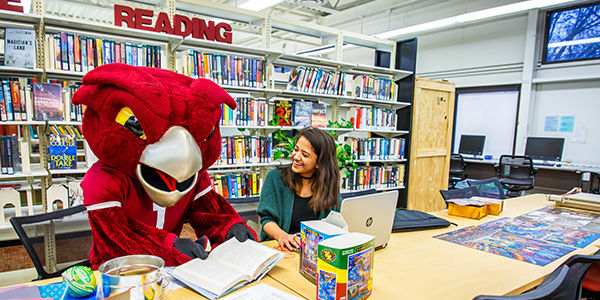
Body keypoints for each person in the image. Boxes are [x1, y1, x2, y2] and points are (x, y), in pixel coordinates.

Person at [257, 127, 341, 251]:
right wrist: (282, 236)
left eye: (305, 155)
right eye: (296, 150)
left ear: (319, 163)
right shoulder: (275, 178)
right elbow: (266, 220)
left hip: (313, 252)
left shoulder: (329, 184)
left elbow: (334, 223)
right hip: (279, 248)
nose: (296, 156)